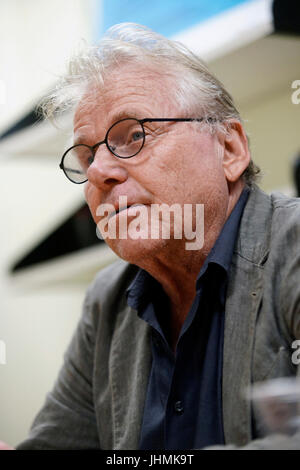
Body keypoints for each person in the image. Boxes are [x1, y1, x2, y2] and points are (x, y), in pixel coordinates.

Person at [3, 22, 300, 450]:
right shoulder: (106, 300)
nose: (100, 172)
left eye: (135, 135)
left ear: (229, 150)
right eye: (87, 158)